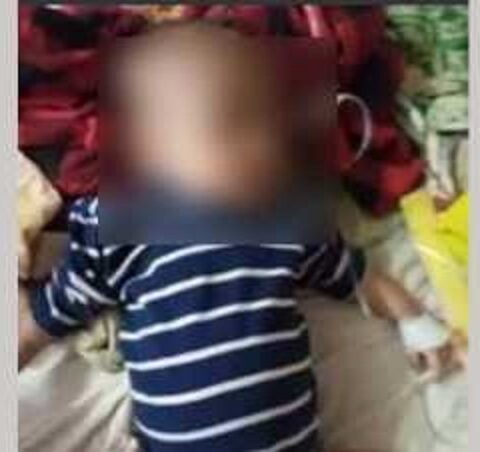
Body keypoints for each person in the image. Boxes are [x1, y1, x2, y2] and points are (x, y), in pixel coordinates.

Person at [19, 21, 459, 452]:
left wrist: (415, 321)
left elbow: (355, 275)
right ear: (150, 147)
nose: (268, 144)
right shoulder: (124, 222)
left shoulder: (284, 218)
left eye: (274, 124)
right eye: (235, 122)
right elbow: (59, 304)